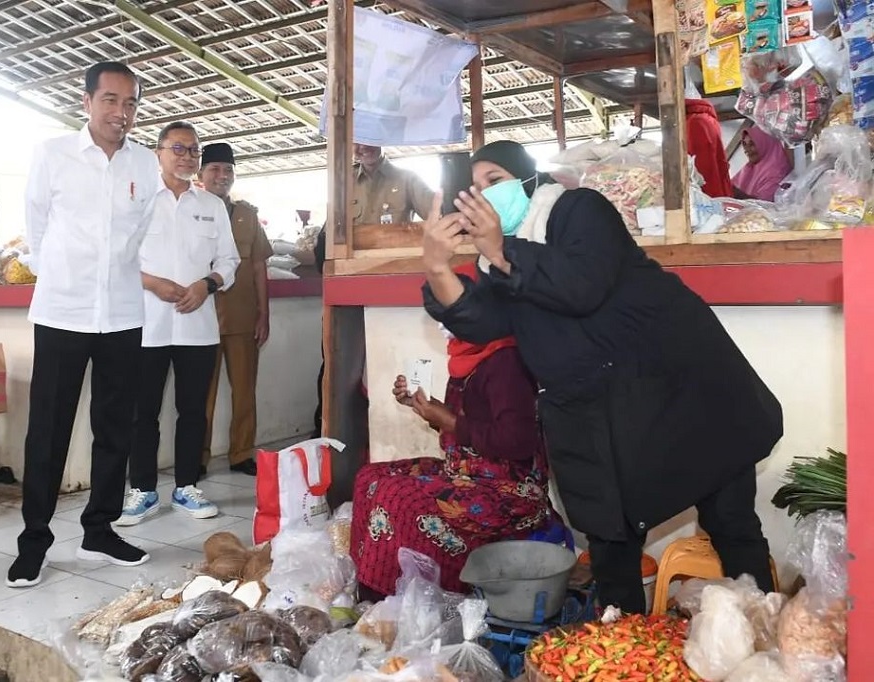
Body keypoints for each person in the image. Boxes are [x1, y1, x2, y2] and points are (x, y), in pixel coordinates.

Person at [421, 140, 783, 613]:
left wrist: (501, 250)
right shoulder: (498, 262)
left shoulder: (579, 210)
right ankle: (621, 642)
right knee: (610, 541)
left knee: (730, 521)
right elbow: (483, 321)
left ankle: (763, 629)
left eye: (496, 180)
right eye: (475, 188)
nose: (485, 195)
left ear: (529, 180)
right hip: (592, 410)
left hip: (682, 390)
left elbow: (581, 287)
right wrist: (436, 265)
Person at [9, 62, 161, 588]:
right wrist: (64, 273)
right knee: (48, 431)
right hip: (63, 312)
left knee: (115, 428)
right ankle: (34, 541)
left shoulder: (144, 163)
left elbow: (139, 233)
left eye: (131, 103)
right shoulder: (53, 154)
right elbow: (36, 227)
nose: (122, 112)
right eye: (111, 100)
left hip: (122, 314)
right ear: (87, 102)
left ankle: (99, 530)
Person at [350, 264, 568, 596]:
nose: (442, 326)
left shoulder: (506, 361)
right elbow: (469, 422)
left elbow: (517, 441)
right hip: (466, 472)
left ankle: (383, 598)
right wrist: (424, 406)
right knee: (370, 477)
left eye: (449, 315)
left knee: (395, 496)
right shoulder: (469, 356)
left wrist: (450, 421)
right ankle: (364, 585)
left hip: (509, 490)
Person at [118, 124, 241, 525]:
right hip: (146, 324)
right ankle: (143, 490)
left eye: (193, 150)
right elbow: (118, 258)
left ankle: (187, 486)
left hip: (197, 326)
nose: (187, 157)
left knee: (192, 411)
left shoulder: (211, 205)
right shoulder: (137, 201)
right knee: (142, 413)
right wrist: (152, 283)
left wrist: (207, 285)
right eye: (178, 148)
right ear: (158, 153)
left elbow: (230, 260)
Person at [311, 145, 435, 437]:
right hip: (349, 294)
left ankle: (390, 437)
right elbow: (327, 240)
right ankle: (332, 437)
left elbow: (439, 221)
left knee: (391, 367)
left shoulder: (407, 179)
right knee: (339, 367)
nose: (361, 148)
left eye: (369, 139)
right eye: (355, 141)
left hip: (393, 297)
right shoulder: (342, 185)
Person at [199, 143, 272, 477]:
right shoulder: (189, 210)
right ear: (201, 174)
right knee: (200, 394)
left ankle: (242, 453)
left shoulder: (247, 215)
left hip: (242, 317)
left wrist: (263, 314)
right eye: (214, 168)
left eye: (228, 170)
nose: (222, 175)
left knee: (245, 392)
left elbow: (258, 266)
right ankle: (197, 456)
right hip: (200, 317)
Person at [686, 98, 734, 198]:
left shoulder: (694, 122)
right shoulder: (709, 119)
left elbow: (702, 166)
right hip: (718, 188)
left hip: (706, 191)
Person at [733, 127, 793, 202]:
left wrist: (736, 193)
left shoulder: (777, 173)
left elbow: (764, 205)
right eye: (745, 144)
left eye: (752, 144)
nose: (747, 150)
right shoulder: (750, 168)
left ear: (765, 144)